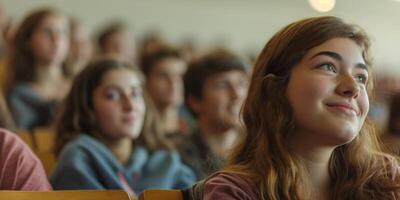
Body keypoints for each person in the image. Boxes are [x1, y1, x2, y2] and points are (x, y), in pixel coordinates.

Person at [202, 16, 400, 200]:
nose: (353, 88)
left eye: (360, 77)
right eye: (328, 66)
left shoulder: (385, 179)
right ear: (274, 88)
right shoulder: (234, 192)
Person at [50, 58, 195, 196]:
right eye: (112, 95)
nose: (130, 105)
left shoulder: (164, 160)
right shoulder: (78, 159)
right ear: (87, 106)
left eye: (135, 94)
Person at [180, 49, 249, 180]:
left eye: (241, 83)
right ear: (195, 101)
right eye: (222, 85)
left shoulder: (262, 151)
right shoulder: (177, 158)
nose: (237, 94)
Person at [5, 8, 70, 130]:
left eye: (62, 32)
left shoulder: (80, 86)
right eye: (46, 31)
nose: (56, 39)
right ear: (27, 41)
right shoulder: (19, 95)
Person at [140, 45, 189, 144]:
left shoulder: (194, 130)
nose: (174, 83)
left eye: (180, 76)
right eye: (163, 76)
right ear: (146, 81)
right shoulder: (136, 131)